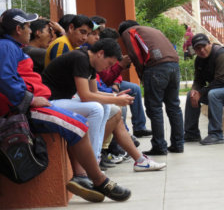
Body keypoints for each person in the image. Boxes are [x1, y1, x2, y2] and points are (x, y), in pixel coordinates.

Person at [0, 8, 131, 202]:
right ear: (18, 29)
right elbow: (4, 78)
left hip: (36, 103)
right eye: (28, 26)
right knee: (78, 124)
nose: (31, 30)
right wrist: (29, 99)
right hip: (26, 109)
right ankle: (98, 179)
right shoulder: (6, 46)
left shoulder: (12, 46)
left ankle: (82, 176)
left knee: (77, 122)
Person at [42, 38, 166, 172]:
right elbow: (85, 96)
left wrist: (114, 96)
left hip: (63, 100)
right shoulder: (80, 58)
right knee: (96, 108)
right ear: (100, 53)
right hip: (49, 101)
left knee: (105, 106)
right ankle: (91, 163)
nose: (109, 67)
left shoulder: (90, 61)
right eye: (109, 63)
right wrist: (116, 100)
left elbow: (94, 92)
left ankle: (95, 158)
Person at [118, 20, 184, 155]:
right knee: (174, 106)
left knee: (154, 108)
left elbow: (135, 55)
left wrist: (142, 74)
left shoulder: (128, 32)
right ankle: (178, 144)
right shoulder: (153, 30)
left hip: (155, 67)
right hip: (174, 66)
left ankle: (159, 146)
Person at [99, 27, 152, 138]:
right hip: (103, 84)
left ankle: (139, 127)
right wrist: (120, 65)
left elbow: (116, 74)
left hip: (113, 82)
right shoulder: (100, 54)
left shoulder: (113, 51)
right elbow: (105, 78)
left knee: (135, 88)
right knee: (119, 103)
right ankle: (123, 133)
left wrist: (117, 84)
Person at [184, 33, 224, 145]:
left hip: (220, 88)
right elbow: (198, 81)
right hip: (219, 90)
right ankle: (191, 133)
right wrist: (194, 91)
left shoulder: (220, 54)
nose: (201, 50)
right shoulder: (199, 60)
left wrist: (201, 93)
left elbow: (221, 81)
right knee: (190, 95)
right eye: (197, 48)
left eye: (203, 46)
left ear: (209, 43)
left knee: (213, 94)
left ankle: (216, 134)